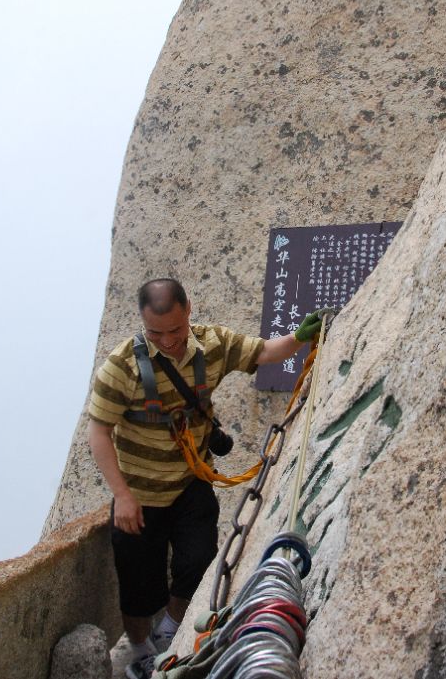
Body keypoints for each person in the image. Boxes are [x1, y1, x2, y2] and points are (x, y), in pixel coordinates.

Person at [86, 278, 322, 679]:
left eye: (175, 330)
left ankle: (170, 633)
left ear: (188, 310)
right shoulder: (121, 366)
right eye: (155, 333)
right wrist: (121, 496)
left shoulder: (212, 346)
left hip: (190, 481)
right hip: (139, 494)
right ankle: (141, 649)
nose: (167, 341)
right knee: (138, 584)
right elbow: (99, 432)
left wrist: (300, 337)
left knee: (197, 560)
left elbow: (263, 351)